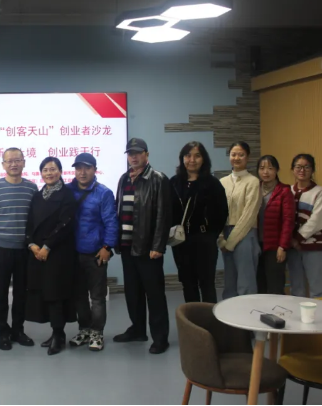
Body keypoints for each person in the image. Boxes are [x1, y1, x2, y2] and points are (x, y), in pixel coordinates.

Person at [112, 138, 171, 354]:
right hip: (127, 246)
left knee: (154, 295)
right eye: (130, 153)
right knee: (133, 293)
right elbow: (119, 209)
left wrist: (158, 246)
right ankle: (137, 330)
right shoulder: (123, 178)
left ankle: (160, 338)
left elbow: (163, 215)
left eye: (138, 153)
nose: (133, 157)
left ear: (147, 154)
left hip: (148, 249)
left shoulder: (158, 179)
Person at [0, 148, 38, 351]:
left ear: (24, 162)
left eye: (17, 160)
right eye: (9, 161)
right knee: (0, 293)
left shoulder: (32, 188)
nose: (14, 164)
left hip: (24, 250)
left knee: (21, 293)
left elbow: (34, 219)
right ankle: (2, 332)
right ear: (3, 164)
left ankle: (18, 330)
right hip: (1, 249)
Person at [25, 157, 77, 356]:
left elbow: (66, 224)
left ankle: (58, 335)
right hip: (38, 253)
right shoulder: (38, 196)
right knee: (45, 294)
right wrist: (32, 245)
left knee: (56, 294)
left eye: (53, 169)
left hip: (58, 253)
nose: (49, 173)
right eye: (45, 170)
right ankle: (55, 332)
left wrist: (47, 246)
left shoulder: (67, 195)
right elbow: (30, 223)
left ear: (60, 172)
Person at [66, 153, 118, 351]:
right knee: (79, 296)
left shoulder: (103, 193)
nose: (82, 172)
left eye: (87, 168)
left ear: (94, 170)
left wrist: (107, 247)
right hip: (73, 254)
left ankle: (97, 332)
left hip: (96, 253)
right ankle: (84, 329)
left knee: (97, 297)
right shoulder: (67, 191)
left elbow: (111, 222)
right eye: (79, 168)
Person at [169, 142, 228, 303]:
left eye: (197, 156)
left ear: (204, 159)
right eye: (188, 156)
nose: (192, 160)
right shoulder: (174, 182)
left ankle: (209, 318)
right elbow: (168, 210)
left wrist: (210, 235)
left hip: (204, 241)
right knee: (188, 284)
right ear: (182, 158)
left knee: (207, 284)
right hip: (181, 241)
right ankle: (192, 318)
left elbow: (222, 213)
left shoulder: (212, 183)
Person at [218, 141, 262, 299]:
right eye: (233, 154)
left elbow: (249, 215)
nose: (237, 158)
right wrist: (221, 238)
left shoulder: (253, 182)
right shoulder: (222, 182)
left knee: (246, 282)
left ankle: (247, 313)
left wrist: (230, 243)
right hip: (225, 233)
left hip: (246, 234)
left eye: (241, 155)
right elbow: (217, 212)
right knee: (229, 282)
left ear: (247, 157)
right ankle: (228, 313)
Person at [287, 154, 322, 298]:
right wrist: (290, 240)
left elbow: (317, 220)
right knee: (296, 289)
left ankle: (321, 314)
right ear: (292, 169)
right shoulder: (288, 191)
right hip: (292, 248)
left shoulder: (320, 192)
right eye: (298, 167)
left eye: (306, 167)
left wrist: (297, 239)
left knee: (318, 289)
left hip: (313, 247)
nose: (302, 170)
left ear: (312, 170)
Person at [256, 155, 295, 295]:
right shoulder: (255, 188)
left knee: (275, 287)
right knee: (259, 286)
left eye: (270, 168)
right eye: (262, 168)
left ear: (277, 170)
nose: (265, 172)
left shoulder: (284, 191)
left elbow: (288, 221)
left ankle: (278, 310)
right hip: (256, 245)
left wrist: (283, 246)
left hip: (275, 247)